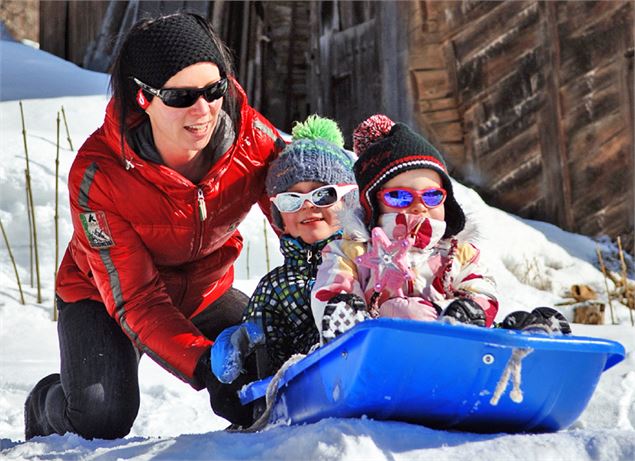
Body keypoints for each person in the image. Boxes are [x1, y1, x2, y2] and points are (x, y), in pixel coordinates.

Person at [24, 12, 285, 440]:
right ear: (143, 98)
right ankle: (46, 402)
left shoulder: (252, 139)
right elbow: (138, 299)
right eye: (181, 97)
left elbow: (304, 219)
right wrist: (204, 366)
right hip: (105, 299)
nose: (204, 111)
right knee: (101, 417)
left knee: (275, 370)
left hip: (206, 291)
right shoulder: (99, 175)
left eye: (214, 89)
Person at [312, 115, 570, 343]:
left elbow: (482, 291)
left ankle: (532, 343)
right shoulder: (349, 252)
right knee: (362, 318)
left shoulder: (459, 254)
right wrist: (356, 316)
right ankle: (352, 341)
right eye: (400, 197)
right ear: (372, 205)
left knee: (503, 324)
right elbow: (330, 292)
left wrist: (460, 311)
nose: (419, 207)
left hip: (453, 346)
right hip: (376, 348)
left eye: (432, 197)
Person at [210, 115, 357, 385]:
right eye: (292, 199)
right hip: (306, 389)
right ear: (280, 217)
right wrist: (244, 342)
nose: (308, 206)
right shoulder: (275, 288)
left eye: (323, 194)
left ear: (348, 201)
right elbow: (267, 356)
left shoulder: (369, 266)